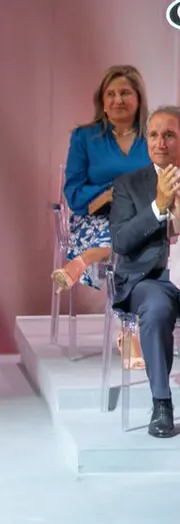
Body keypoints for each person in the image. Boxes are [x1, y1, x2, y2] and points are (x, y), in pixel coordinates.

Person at [52, 65, 151, 368]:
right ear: (102, 101)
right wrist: (108, 194)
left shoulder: (154, 136)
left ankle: (83, 261)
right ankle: (129, 331)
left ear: (138, 99)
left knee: (135, 238)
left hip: (141, 217)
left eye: (125, 93)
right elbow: (73, 192)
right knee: (128, 246)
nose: (118, 99)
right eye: (111, 94)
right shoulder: (85, 137)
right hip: (94, 219)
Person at [109, 106, 180, 438]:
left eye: (169, 135)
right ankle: (161, 403)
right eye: (153, 135)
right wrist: (158, 206)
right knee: (157, 308)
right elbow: (121, 241)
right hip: (148, 279)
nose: (160, 142)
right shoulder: (129, 184)